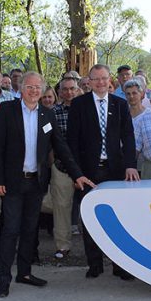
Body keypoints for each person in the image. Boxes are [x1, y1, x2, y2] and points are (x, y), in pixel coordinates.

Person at [0, 72, 92, 297]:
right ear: (21, 88)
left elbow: (61, 147)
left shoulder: (47, 114)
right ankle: (4, 279)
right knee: (10, 230)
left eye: (38, 87)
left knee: (29, 230)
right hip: (13, 183)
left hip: (36, 183)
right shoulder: (7, 110)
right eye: (29, 86)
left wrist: (77, 175)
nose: (34, 90)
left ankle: (24, 273)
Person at [67, 64, 139, 280]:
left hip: (115, 170)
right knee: (90, 218)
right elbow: (72, 141)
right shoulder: (79, 104)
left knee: (118, 218)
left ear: (110, 80)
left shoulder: (120, 104)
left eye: (104, 78)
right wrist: (76, 173)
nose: (100, 82)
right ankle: (94, 263)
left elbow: (128, 136)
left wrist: (130, 164)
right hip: (88, 172)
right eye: (96, 79)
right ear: (89, 82)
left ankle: (119, 265)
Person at [49, 75, 81, 260]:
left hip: (86, 167)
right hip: (61, 167)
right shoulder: (53, 112)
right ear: (59, 92)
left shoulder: (87, 110)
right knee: (61, 208)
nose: (69, 92)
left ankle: (98, 248)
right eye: (65, 89)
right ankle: (62, 246)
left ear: (77, 90)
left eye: (72, 89)